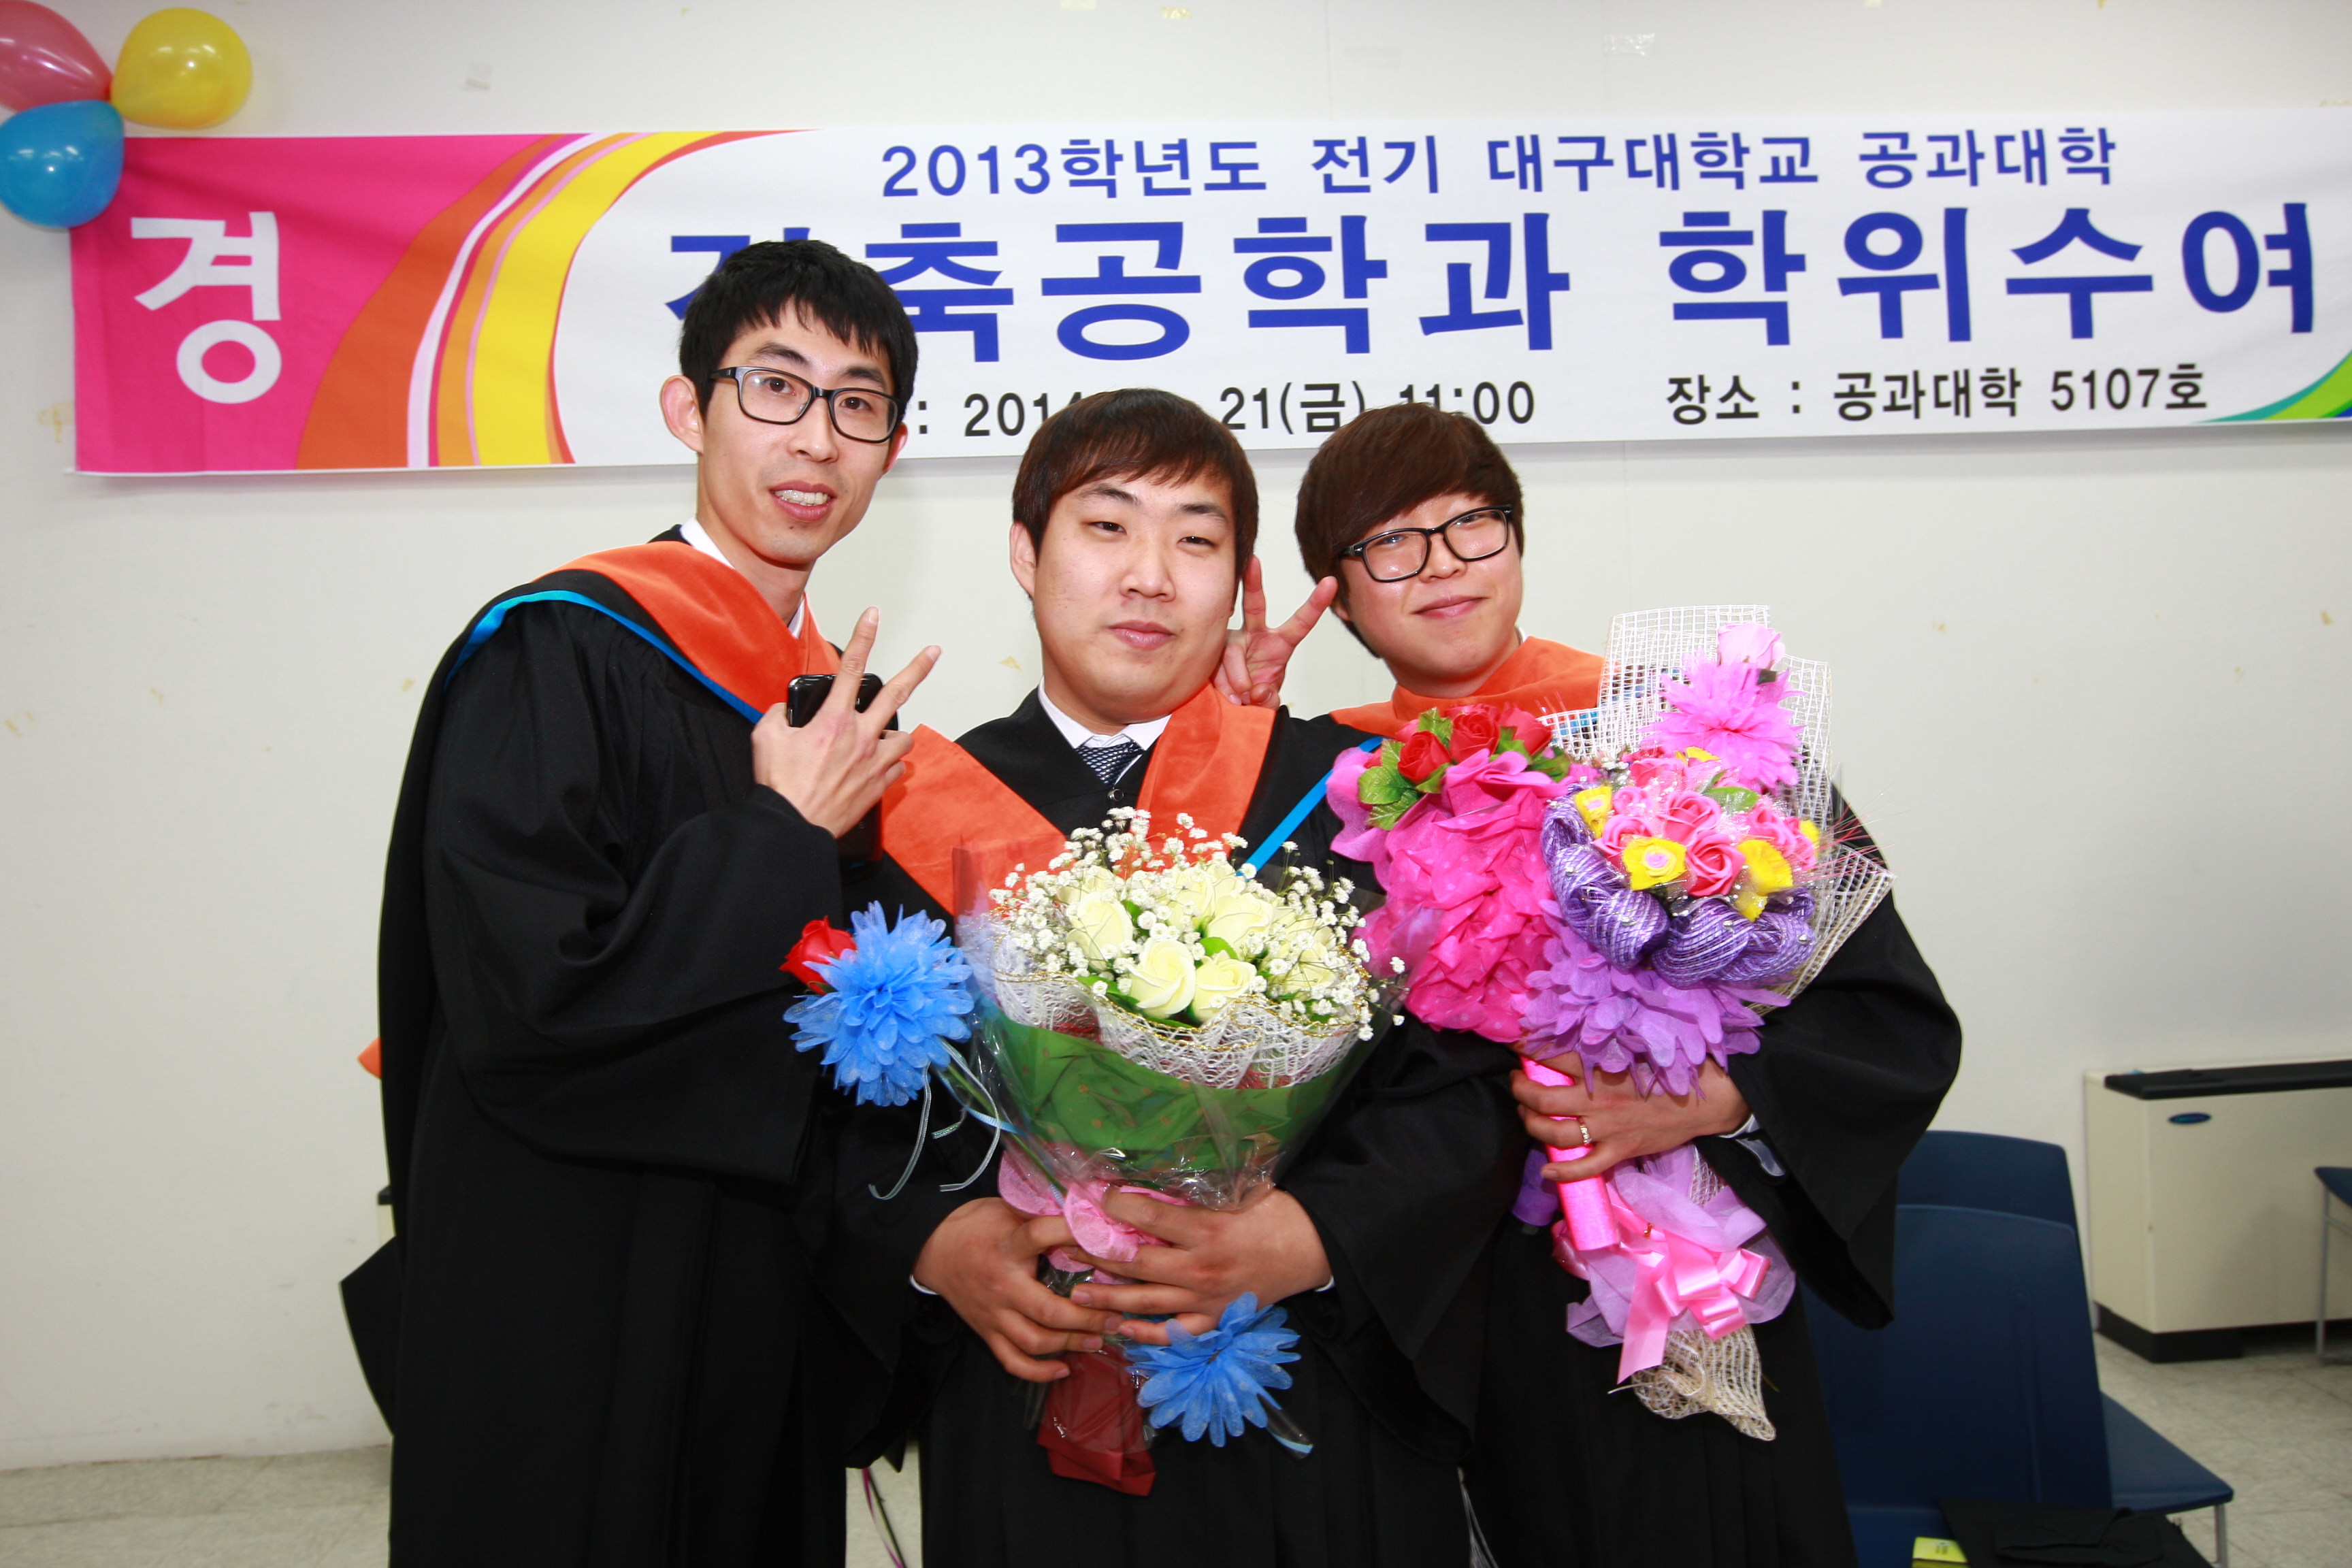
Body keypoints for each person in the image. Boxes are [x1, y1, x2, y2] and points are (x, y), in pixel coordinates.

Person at [355, 240, 966, 1567]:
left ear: (893, 447)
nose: (818, 439)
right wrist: (779, 834)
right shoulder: (557, 647)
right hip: (569, 1273)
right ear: (690, 409)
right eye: (777, 387)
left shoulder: (836, 711)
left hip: (762, 1285)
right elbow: (530, 994)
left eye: (858, 405)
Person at [842, 388, 1524, 1568]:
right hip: (1026, 1386)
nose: (1150, 577)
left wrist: (1315, 1234)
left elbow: (1467, 1074)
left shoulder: (1358, 795)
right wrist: (938, 1242)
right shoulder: (903, 809)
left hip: (1313, 1396)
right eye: (1108, 527)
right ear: (1027, 553)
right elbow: (830, 1104)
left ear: (1236, 575)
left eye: (1195, 539)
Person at [1280, 402, 1963, 1568]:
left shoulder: (1687, 737)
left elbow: (1882, 1011)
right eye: (1389, 542)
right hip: (1427, 1288)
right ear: (1337, 594)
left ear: (1517, 536)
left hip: (1680, 1265)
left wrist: (1711, 1102)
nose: (1440, 564)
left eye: (1471, 524)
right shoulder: (1321, 787)